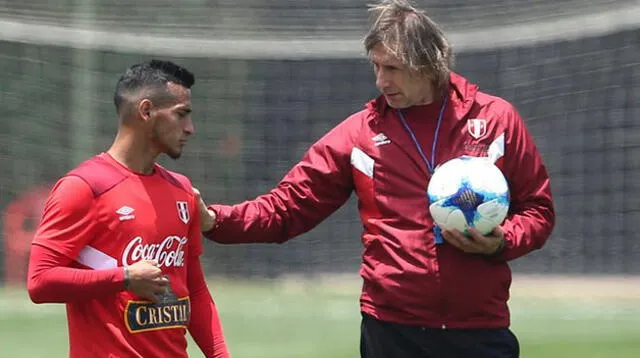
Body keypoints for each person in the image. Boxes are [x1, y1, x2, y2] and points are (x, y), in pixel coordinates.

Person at [196, 0, 555, 357]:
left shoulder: (496, 120)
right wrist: (215, 221)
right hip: (391, 331)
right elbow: (288, 208)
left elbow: (538, 211)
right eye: (377, 67)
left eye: (393, 68)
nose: (381, 80)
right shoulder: (361, 135)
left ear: (428, 64)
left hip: (479, 328)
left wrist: (501, 242)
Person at [27, 60, 230, 358]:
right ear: (146, 111)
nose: (190, 128)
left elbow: (195, 291)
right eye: (181, 115)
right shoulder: (85, 187)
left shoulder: (183, 190)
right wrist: (124, 278)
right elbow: (40, 281)